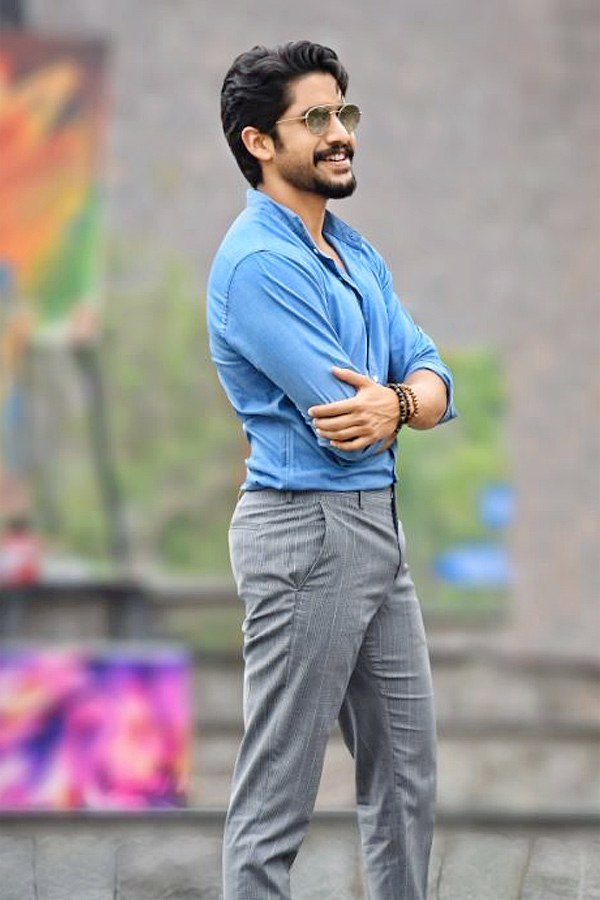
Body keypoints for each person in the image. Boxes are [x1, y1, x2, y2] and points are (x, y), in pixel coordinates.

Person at [207, 40, 457, 900]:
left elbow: (432, 376)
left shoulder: (353, 252)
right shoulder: (259, 265)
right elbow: (346, 420)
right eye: (313, 118)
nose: (339, 132)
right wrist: (403, 402)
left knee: (407, 779)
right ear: (259, 142)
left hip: (375, 531)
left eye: (343, 112)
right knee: (278, 794)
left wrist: (405, 398)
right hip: (306, 533)